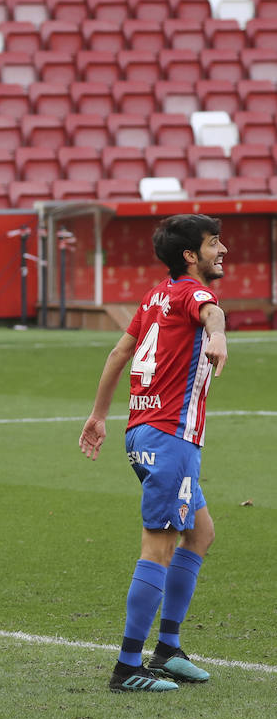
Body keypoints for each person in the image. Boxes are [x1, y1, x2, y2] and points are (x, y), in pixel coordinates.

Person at [79, 214, 228, 693]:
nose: (221, 250)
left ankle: (166, 650)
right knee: (159, 545)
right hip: (170, 440)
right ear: (191, 256)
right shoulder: (191, 294)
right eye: (213, 243)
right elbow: (212, 313)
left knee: (199, 533)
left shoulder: (154, 295)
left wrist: (100, 415)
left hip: (143, 432)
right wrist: (219, 334)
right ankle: (127, 667)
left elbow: (119, 354)